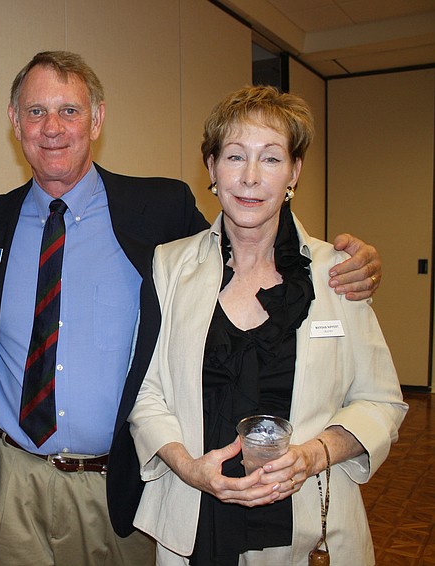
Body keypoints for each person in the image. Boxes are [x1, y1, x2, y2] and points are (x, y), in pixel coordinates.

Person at [0, 51, 384, 566]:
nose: (52, 128)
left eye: (70, 111)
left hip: (114, 484)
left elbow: (245, 232)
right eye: (35, 111)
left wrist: (354, 261)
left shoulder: (160, 213)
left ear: (96, 119)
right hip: (15, 477)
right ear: (14, 120)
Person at [129, 85, 407, 565]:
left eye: (272, 159)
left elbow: (380, 400)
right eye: (236, 156)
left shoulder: (336, 271)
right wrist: (189, 467)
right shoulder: (169, 266)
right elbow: (147, 389)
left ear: (294, 172)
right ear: (212, 168)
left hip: (308, 525)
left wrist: (315, 454)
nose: (251, 177)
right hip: (197, 518)